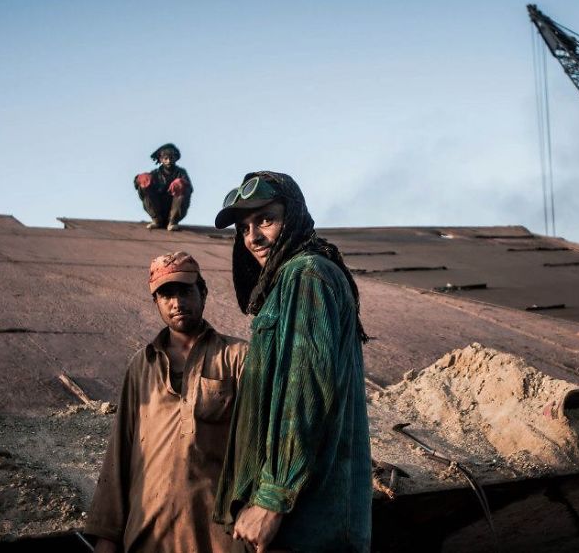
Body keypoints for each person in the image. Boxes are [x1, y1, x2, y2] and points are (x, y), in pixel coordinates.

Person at [212, 172, 372, 553]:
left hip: (305, 525)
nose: (253, 237)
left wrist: (272, 499)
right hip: (297, 523)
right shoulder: (290, 280)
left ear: (293, 216)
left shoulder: (306, 274)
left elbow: (304, 391)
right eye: (244, 227)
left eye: (265, 219)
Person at [85, 251, 247, 553]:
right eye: (166, 295)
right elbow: (119, 453)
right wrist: (107, 536)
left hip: (219, 537)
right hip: (149, 535)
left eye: (185, 291)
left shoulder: (237, 357)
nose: (177, 302)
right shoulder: (141, 366)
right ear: (156, 303)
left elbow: (261, 446)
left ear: (203, 293)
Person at [134, 143, 193, 231]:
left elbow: (189, 189)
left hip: (174, 208)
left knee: (183, 186)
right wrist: (139, 179)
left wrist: (180, 183)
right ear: (161, 159)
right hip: (158, 209)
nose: (168, 161)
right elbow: (139, 186)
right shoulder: (155, 173)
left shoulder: (181, 173)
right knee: (144, 186)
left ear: (175, 158)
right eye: (166, 158)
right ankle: (156, 220)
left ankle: (173, 222)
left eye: (171, 158)